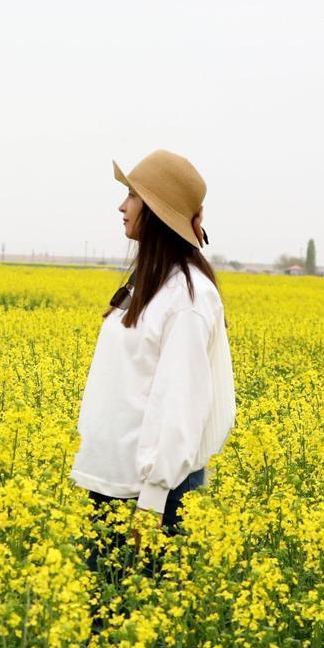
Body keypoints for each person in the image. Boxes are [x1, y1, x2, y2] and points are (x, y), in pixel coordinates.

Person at [71, 149, 236, 580]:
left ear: (158, 211)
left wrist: (152, 502)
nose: (122, 207)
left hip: (147, 500)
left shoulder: (187, 298)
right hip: (114, 487)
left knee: (135, 633)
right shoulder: (151, 284)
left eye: (132, 196)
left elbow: (180, 405)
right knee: (105, 629)